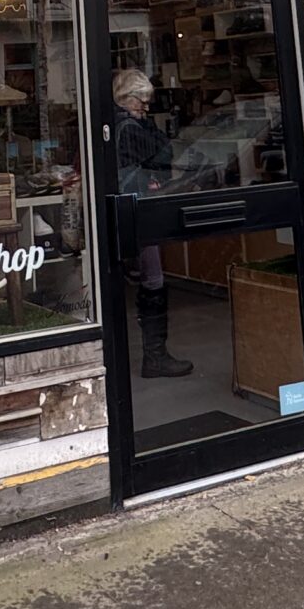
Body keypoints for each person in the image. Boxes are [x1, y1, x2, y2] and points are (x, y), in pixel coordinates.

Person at [110, 68, 191, 379]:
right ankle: (155, 356)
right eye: (141, 100)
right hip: (138, 208)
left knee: (144, 276)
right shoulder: (130, 127)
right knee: (152, 279)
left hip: (130, 207)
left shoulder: (120, 124)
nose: (145, 107)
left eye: (147, 101)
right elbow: (163, 153)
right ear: (124, 98)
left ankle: (152, 355)